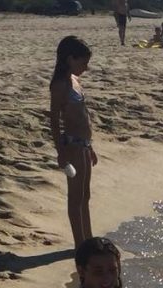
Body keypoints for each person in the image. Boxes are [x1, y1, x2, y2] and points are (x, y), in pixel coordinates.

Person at [49, 36, 97, 252]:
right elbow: (54, 120)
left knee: (85, 196)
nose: (86, 67)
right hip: (72, 146)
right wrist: (61, 152)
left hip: (84, 145)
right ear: (70, 59)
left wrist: (91, 147)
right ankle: (80, 245)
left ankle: (88, 239)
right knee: (75, 198)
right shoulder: (60, 85)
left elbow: (84, 115)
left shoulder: (75, 80)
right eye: (83, 62)